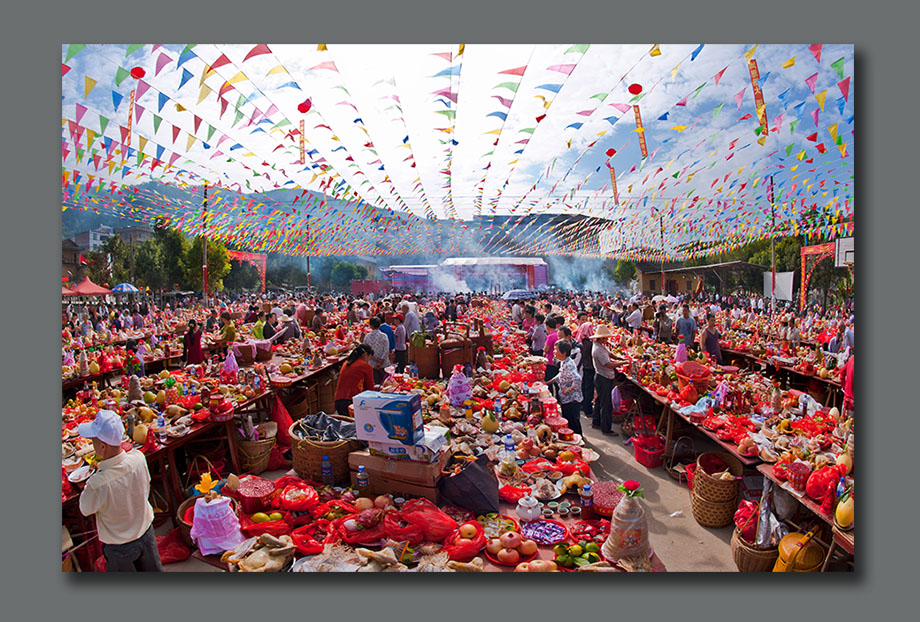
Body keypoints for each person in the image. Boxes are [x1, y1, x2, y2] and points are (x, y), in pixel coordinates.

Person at [78, 410, 163, 572]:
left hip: (119, 547)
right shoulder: (138, 458)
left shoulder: (97, 483)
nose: (92, 445)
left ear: (102, 446)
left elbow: (85, 508)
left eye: (93, 441)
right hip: (146, 534)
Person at [590, 325, 630, 435]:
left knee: (599, 401)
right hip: (603, 378)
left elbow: (610, 354)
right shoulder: (598, 350)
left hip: (602, 376)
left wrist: (621, 358)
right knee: (606, 404)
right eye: (606, 338)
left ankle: (596, 422)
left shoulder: (601, 346)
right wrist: (622, 363)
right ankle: (606, 429)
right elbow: (609, 364)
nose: (607, 339)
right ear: (601, 338)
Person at [333, 345, 376, 417]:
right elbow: (370, 388)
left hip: (339, 401)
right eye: (369, 358)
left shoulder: (347, 363)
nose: (368, 361)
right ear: (365, 355)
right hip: (350, 402)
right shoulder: (365, 366)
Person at [551, 340, 583, 435]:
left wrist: (569, 389)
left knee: (573, 422)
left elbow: (578, 379)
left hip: (572, 399)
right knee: (568, 421)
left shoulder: (569, 364)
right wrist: (549, 382)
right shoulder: (563, 362)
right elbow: (561, 375)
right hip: (566, 398)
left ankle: (578, 442)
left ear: (564, 353)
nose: (554, 352)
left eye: (556, 350)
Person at [574, 314, 595, 419]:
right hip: (588, 367)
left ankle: (582, 405)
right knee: (588, 388)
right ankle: (587, 409)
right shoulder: (587, 343)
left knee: (584, 387)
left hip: (583, 366)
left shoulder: (581, 339)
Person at [363, 317, 391, 385]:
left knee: (375, 385)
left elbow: (366, 350)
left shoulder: (367, 336)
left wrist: (375, 359)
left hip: (372, 364)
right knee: (386, 385)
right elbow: (386, 350)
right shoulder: (384, 336)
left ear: (371, 325)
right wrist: (381, 361)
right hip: (384, 364)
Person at [544, 317, 560, 387]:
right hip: (557, 361)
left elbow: (546, 350)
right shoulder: (558, 334)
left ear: (547, 327)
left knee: (549, 382)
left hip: (550, 361)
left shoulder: (550, 336)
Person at [839, 349, 854, 419]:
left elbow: (842, 372)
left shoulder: (852, 358)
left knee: (843, 425)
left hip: (846, 400)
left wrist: (844, 386)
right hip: (852, 405)